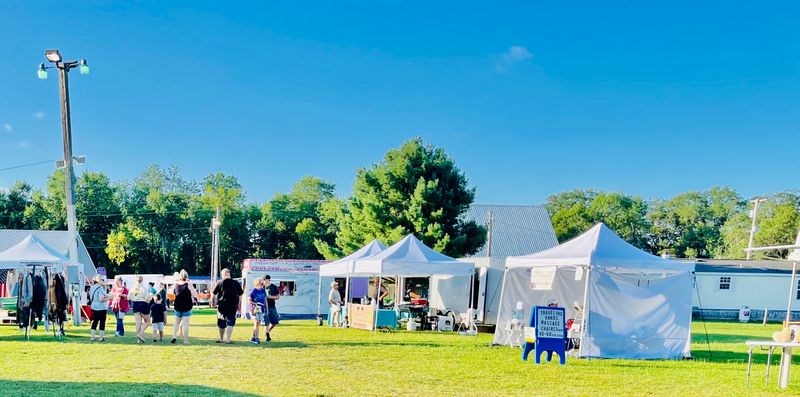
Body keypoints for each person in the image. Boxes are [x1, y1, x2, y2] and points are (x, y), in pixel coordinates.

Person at [213, 268, 243, 344]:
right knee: (230, 322)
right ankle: (228, 340)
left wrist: (212, 301)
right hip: (232, 305)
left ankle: (221, 339)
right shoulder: (236, 283)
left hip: (221, 305)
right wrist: (239, 304)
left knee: (221, 322)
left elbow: (214, 293)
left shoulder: (220, 282)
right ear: (229, 274)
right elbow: (240, 295)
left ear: (223, 274)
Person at [171, 270, 197, 344]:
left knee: (176, 323)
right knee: (185, 324)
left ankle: (174, 336)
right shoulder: (188, 285)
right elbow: (195, 295)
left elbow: (173, 293)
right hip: (187, 307)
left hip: (177, 306)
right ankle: (185, 340)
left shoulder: (175, 284)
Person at [130, 275, 153, 344]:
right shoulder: (144, 288)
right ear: (142, 281)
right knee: (147, 321)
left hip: (135, 304)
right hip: (143, 304)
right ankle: (140, 333)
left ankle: (139, 340)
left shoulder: (132, 288)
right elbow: (147, 298)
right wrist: (151, 296)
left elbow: (128, 297)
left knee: (138, 323)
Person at [88, 275, 108, 341]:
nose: (103, 281)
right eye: (102, 280)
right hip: (101, 307)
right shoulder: (100, 288)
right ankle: (101, 338)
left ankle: (92, 337)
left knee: (95, 321)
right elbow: (101, 299)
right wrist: (110, 297)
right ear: (99, 280)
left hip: (93, 306)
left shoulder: (92, 287)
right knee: (102, 322)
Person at [248, 277, 267, 344]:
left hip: (260, 310)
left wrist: (266, 309)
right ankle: (256, 338)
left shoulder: (263, 290)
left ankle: (253, 338)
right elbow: (249, 300)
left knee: (258, 323)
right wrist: (255, 304)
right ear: (257, 284)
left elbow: (265, 300)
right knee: (256, 322)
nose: (262, 285)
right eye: (261, 284)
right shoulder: (254, 291)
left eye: (263, 284)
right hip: (253, 309)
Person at [263, 275, 280, 342]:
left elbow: (278, 297)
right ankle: (267, 336)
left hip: (272, 306)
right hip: (264, 307)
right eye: (264, 280)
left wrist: (270, 297)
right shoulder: (261, 286)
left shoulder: (274, 287)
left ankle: (266, 333)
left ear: (269, 280)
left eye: (265, 279)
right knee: (266, 322)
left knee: (275, 322)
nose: (264, 281)